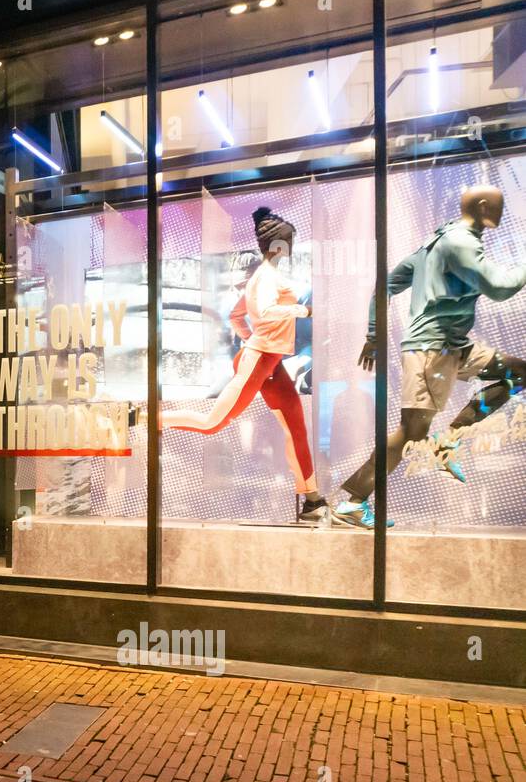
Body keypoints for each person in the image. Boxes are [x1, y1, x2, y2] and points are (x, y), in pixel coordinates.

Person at [333, 185, 526, 528]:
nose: (502, 213)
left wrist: (374, 336)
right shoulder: (459, 242)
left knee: (520, 372)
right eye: (499, 206)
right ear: (483, 206)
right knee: (410, 432)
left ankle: (447, 441)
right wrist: (373, 336)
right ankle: (353, 502)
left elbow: (386, 285)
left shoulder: (435, 242)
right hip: (432, 350)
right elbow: (499, 287)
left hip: (455, 346)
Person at [159, 208, 325, 521]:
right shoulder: (265, 277)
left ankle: (312, 500)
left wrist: (253, 338)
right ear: (279, 245)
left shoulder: (263, 277)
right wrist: (302, 313)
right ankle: (150, 418)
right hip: (258, 361)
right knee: (213, 423)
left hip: (269, 362)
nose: (292, 246)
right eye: (291, 241)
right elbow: (265, 311)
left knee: (296, 429)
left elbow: (238, 315)